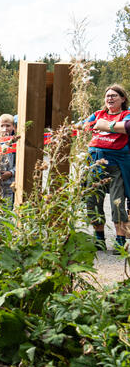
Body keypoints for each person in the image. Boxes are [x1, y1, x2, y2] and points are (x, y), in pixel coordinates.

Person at [85, 85, 130, 251]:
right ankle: (99, 238)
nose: (110, 98)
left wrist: (107, 126)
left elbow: (127, 127)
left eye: (114, 96)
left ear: (123, 99)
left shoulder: (126, 114)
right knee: (92, 201)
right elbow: (85, 126)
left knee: (117, 202)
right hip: (95, 164)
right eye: (108, 96)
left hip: (116, 165)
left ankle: (120, 239)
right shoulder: (98, 114)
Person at [0, 114, 17, 207]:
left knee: (8, 210)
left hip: (11, 184)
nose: (5, 128)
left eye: (8, 125)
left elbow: (20, 163)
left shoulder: (16, 143)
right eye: (2, 126)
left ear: (13, 127)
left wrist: (11, 172)